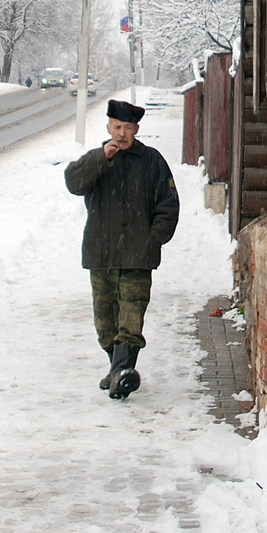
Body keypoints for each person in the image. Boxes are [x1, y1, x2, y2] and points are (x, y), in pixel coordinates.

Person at [63, 99, 179, 399]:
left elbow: (169, 204)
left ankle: (123, 370)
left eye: (128, 127)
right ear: (108, 127)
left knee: (131, 318)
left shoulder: (151, 161)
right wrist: (101, 158)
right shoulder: (98, 160)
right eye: (117, 127)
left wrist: (153, 239)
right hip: (101, 255)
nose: (122, 133)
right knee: (105, 323)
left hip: (138, 257)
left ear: (137, 129)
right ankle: (118, 371)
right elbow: (74, 183)